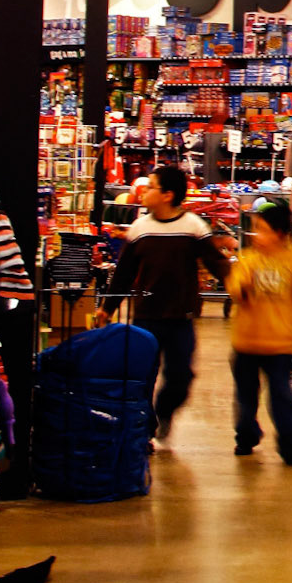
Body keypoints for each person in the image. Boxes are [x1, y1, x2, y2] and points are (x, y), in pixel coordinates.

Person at [105, 165, 232, 439]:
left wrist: (240, 285)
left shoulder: (193, 227)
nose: (143, 192)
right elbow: (124, 274)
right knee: (142, 377)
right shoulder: (139, 229)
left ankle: (164, 411)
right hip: (146, 316)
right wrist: (107, 309)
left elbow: (216, 263)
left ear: (167, 195)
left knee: (181, 377)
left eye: (151, 187)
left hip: (180, 317)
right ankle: (144, 431)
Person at [226, 198, 292, 466]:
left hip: (279, 344)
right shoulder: (249, 259)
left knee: (281, 397)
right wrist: (240, 288)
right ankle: (246, 435)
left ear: (279, 234)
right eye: (255, 229)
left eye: (263, 230)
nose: (256, 235)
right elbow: (235, 285)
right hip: (246, 342)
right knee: (245, 397)